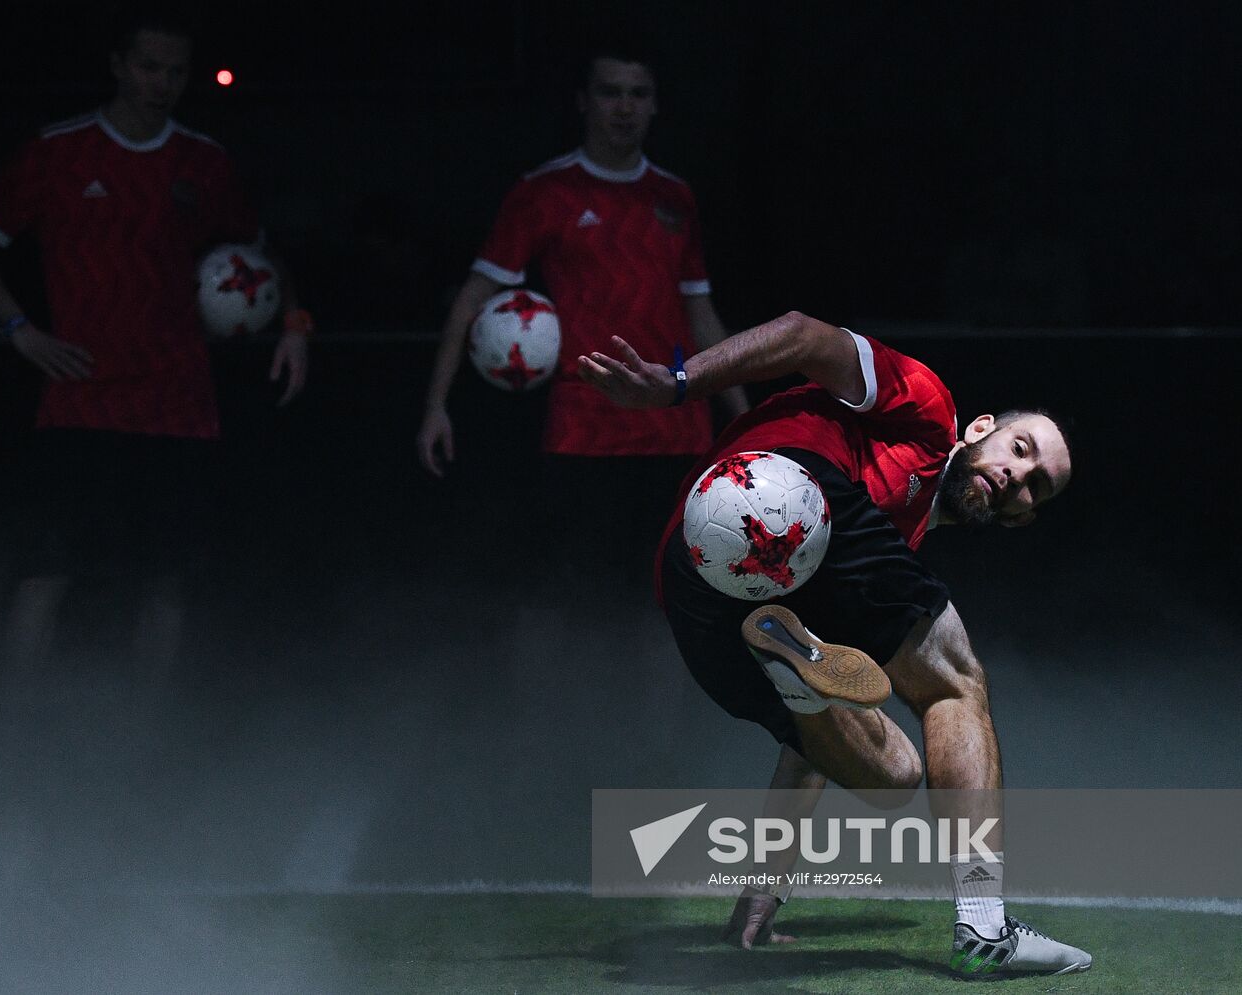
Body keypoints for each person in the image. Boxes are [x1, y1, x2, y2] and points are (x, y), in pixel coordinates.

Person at [579, 311, 1093, 976]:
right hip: (784, 488)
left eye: (1036, 487)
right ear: (982, 429)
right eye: (1021, 451)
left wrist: (768, 875)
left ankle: (788, 664)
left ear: (1022, 517)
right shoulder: (927, 413)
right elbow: (802, 335)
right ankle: (985, 928)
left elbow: (806, 754)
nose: (1018, 478)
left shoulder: (893, 550)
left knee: (890, 773)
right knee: (955, 682)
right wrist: (677, 384)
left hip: (695, 584)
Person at [0, 11, 310, 679]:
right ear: (118, 65)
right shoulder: (60, 151)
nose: (161, 82)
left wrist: (294, 325)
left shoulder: (204, 161)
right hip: (80, 396)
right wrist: (17, 329)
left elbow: (262, 259)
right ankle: (12, 723)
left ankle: (149, 731)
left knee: (167, 578)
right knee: (48, 569)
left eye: (175, 71)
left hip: (178, 401)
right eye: (149, 67)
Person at [416, 49, 747, 490]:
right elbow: (471, 301)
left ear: (655, 104)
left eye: (638, 93)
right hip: (583, 428)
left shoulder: (674, 196)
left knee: (678, 560)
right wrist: (436, 405)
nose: (625, 107)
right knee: (572, 560)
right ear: (583, 101)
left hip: (678, 424)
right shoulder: (544, 192)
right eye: (610, 92)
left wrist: (745, 416)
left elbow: (700, 312)